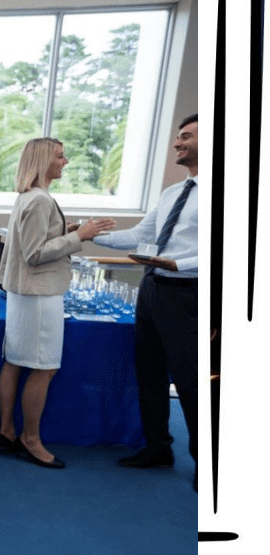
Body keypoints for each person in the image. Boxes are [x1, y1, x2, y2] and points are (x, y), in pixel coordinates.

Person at [0, 138, 114, 469]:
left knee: (15, 361)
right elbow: (36, 254)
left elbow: (35, 242)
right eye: (61, 156)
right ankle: (30, 439)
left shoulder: (28, 197)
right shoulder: (41, 200)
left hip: (24, 295)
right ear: (44, 160)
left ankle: (6, 431)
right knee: (45, 368)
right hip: (40, 296)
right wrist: (80, 236)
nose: (66, 161)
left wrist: (69, 230)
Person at [93, 114, 198, 480]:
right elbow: (140, 235)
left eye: (185, 136)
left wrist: (177, 263)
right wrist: (88, 234)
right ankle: (158, 447)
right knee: (149, 373)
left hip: (190, 293)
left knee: (190, 379)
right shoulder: (172, 192)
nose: (176, 143)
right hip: (152, 288)